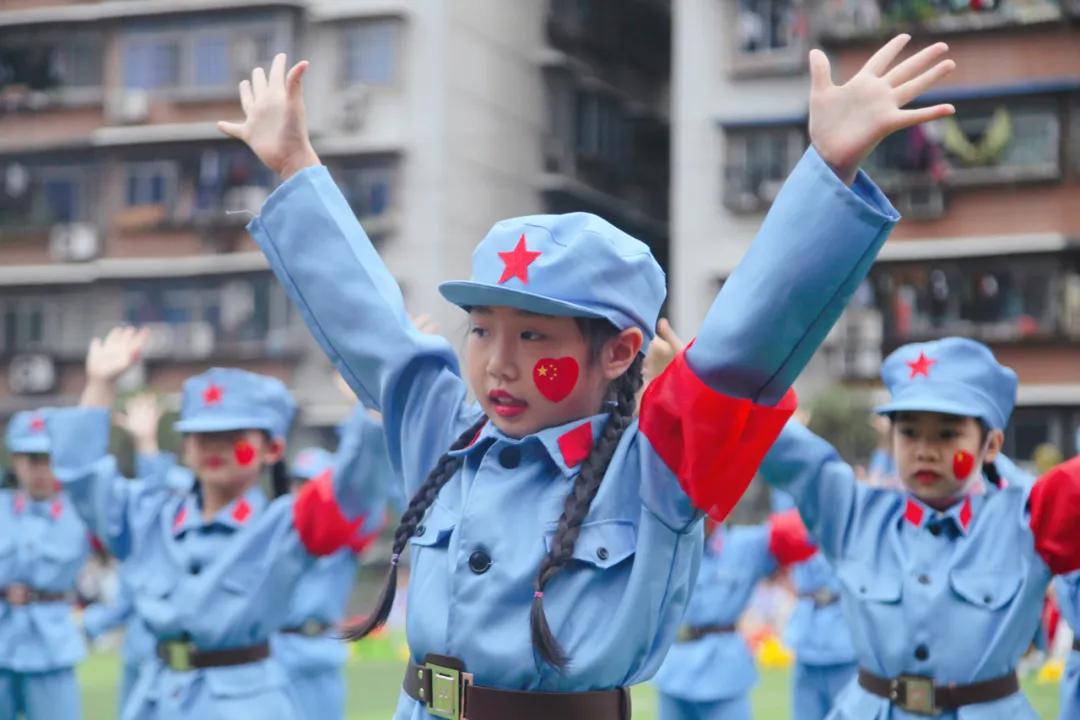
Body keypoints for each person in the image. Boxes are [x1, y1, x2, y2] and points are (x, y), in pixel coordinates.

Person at [222, 35, 955, 720]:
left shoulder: (657, 465)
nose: (497, 362)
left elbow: (746, 345)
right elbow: (365, 320)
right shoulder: (443, 434)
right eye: (481, 331)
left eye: (533, 335)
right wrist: (295, 166)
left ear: (617, 351)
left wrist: (827, 172)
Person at [46, 328, 382, 720]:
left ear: (271, 448)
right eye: (202, 437)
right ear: (185, 447)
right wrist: (100, 386)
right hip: (156, 697)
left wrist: (372, 401)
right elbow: (82, 477)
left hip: (246, 703)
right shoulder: (149, 518)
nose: (215, 448)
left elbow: (355, 487)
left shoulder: (284, 526)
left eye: (232, 436)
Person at [760, 337, 1080, 718]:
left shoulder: (1027, 521)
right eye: (909, 432)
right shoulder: (849, 512)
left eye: (948, 434)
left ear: (991, 445)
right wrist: (694, 380)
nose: (925, 450)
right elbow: (766, 432)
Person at [0, 409, 89, 720]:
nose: (40, 469)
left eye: (48, 458)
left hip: (52, 645)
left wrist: (95, 623)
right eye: (32, 458)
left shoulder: (81, 512)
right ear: (16, 460)